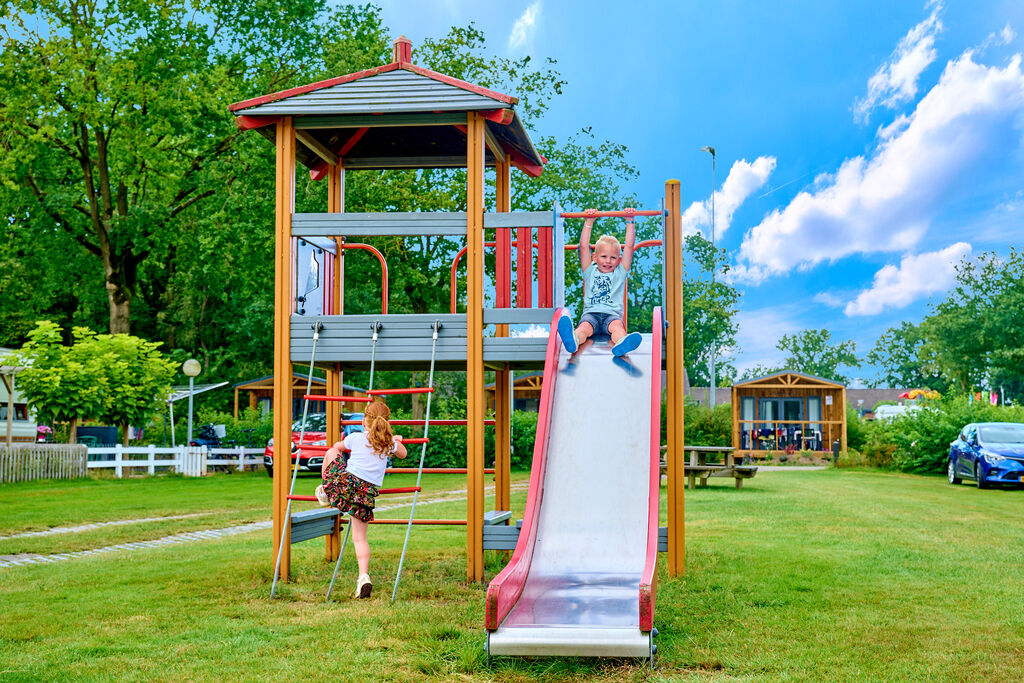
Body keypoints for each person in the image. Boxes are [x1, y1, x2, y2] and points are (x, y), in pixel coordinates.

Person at [315, 400, 406, 598]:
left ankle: (325, 491)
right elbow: (403, 454)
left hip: (346, 486)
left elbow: (337, 448)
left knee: (330, 452)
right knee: (360, 538)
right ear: (386, 423)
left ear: (364, 420)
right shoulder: (388, 444)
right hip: (365, 495)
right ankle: (363, 576)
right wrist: (396, 440)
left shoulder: (355, 437)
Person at [557, 207, 643, 356]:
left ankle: (622, 343)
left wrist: (630, 222)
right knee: (584, 328)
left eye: (613, 258)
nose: (608, 261)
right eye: (603, 256)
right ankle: (574, 340)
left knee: (617, 328)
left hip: (612, 316)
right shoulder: (590, 271)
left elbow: (629, 247)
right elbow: (584, 246)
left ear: (618, 260)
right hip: (591, 314)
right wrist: (588, 221)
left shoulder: (620, 273)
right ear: (595, 258)